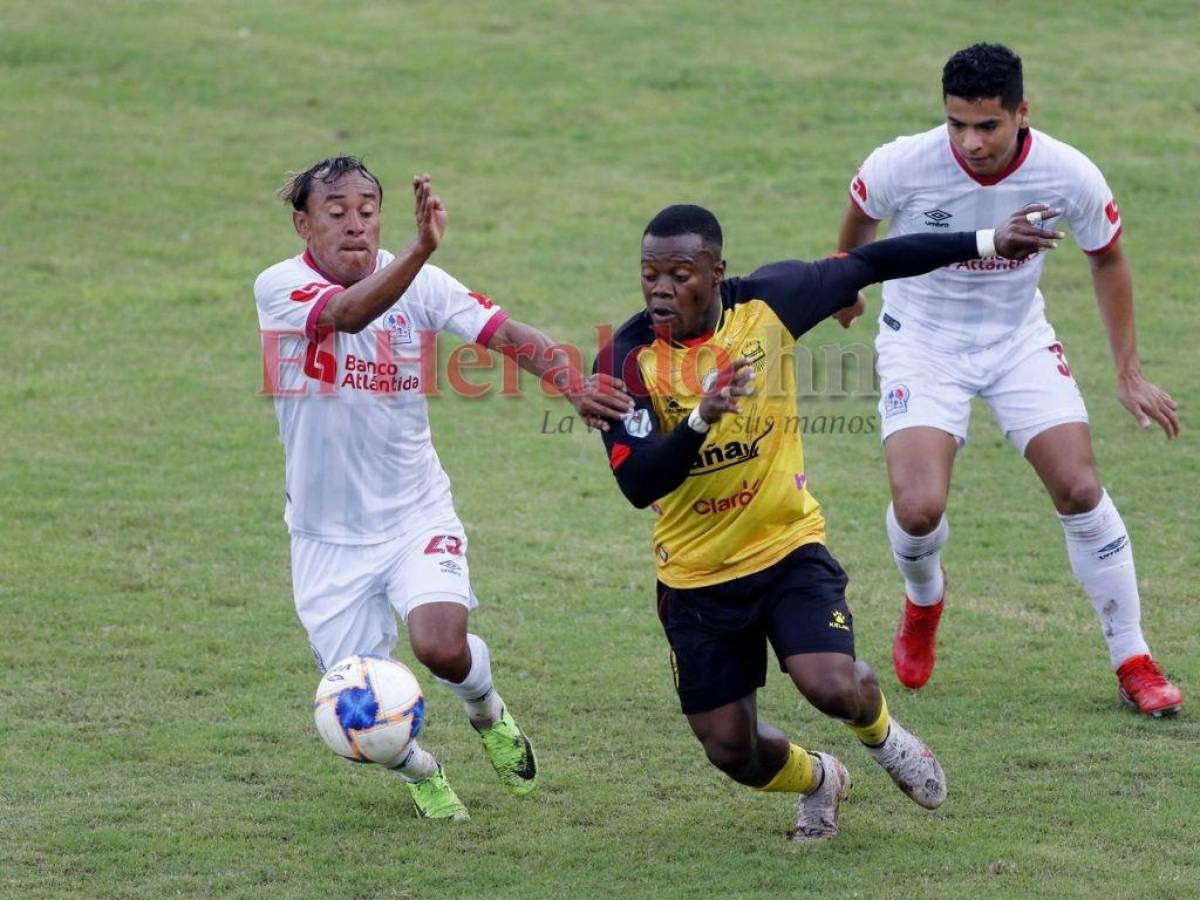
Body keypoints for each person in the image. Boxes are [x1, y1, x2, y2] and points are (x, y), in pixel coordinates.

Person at [594, 202, 1058, 840]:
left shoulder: (768, 305)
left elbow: (871, 262)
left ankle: (883, 736)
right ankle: (820, 779)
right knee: (732, 751)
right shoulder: (625, 361)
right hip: (696, 579)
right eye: (650, 274)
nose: (662, 288)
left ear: (716, 270)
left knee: (832, 684)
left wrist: (987, 238)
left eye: (680, 273)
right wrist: (701, 419)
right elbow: (639, 481)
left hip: (787, 549)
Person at [254, 157, 632, 821]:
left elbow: (504, 332)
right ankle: (421, 770)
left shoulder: (421, 283)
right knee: (356, 703)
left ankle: (489, 713)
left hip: (412, 512)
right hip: (325, 538)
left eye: (367, 211)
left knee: (441, 646)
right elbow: (347, 313)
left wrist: (570, 382)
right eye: (335, 213)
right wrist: (423, 250)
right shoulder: (279, 286)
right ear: (303, 223)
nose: (354, 226)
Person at [835, 43, 1182, 716]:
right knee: (918, 509)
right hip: (922, 344)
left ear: (1021, 113)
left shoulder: (1067, 173)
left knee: (1080, 487)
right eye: (957, 123)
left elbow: (1107, 259)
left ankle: (1133, 658)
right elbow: (860, 215)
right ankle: (924, 600)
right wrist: (848, 280)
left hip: (1018, 341)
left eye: (987, 125)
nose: (970, 141)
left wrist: (1128, 371)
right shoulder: (904, 161)